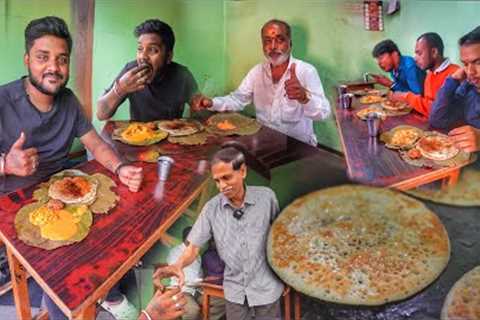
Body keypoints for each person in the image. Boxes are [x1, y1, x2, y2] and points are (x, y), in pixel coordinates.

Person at [0, 16, 177, 320]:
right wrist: (5, 163)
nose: (53, 67)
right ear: (27, 59)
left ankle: (106, 293)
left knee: (121, 221)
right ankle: (78, 306)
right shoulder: (2, 100)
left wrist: (120, 168)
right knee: (67, 272)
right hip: (13, 209)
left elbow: (96, 144)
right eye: (43, 58)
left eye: (62, 59)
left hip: (66, 195)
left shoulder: (69, 101)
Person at [155, 145, 284, 320]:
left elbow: (278, 238)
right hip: (235, 293)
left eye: (227, 178)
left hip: (266, 288)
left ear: (243, 171)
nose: (222, 186)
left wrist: (285, 274)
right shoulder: (211, 208)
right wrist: (178, 265)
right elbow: (192, 249)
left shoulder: (266, 197)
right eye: (217, 181)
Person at [191, 19, 331, 146]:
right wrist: (211, 103)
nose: (273, 46)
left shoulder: (306, 71)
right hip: (264, 143)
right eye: (267, 41)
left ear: (290, 44)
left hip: (298, 148)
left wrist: (304, 97)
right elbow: (238, 99)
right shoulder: (256, 72)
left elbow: (324, 113)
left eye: (279, 40)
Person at [97, 19, 199, 122]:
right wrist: (120, 89)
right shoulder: (131, 71)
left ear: (168, 56)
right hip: (139, 135)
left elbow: (199, 109)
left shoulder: (182, 75)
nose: (143, 56)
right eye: (140, 49)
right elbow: (101, 114)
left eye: (153, 50)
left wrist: (201, 104)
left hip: (173, 135)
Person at [430, 26, 480, 153]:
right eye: (465, 64)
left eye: (478, 63)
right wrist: (452, 80)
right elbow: (438, 120)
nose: (470, 72)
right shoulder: (469, 87)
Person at [388, 33, 460, 117]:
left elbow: (439, 112)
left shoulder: (455, 74)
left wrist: (406, 97)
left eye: (419, 53)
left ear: (434, 52)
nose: (415, 58)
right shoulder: (430, 74)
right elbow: (426, 104)